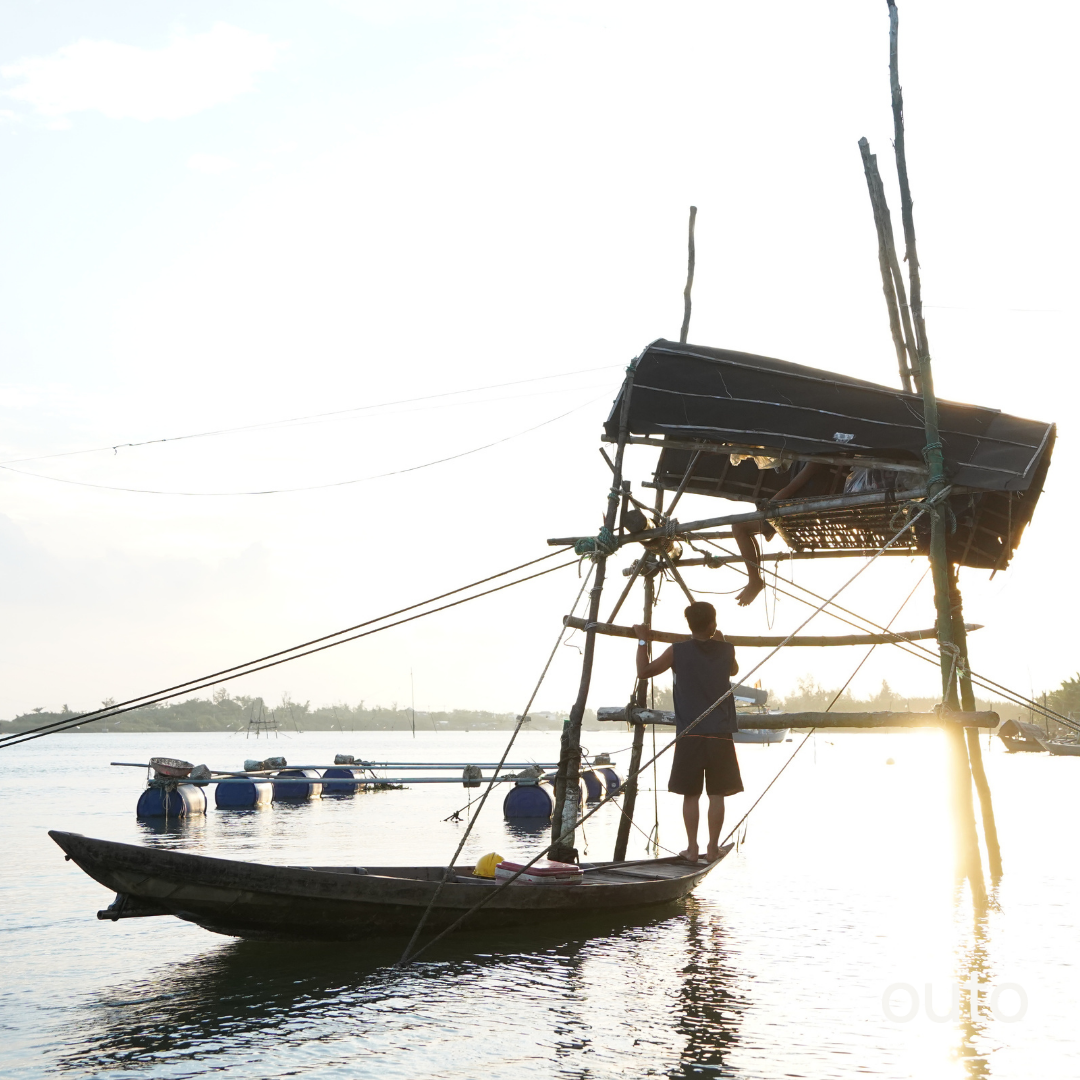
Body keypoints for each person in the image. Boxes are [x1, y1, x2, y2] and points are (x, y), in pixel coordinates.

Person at [632, 601, 744, 863]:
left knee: (691, 795)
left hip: (690, 733)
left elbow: (643, 672)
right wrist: (722, 639)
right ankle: (712, 847)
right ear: (712, 625)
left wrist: (641, 641)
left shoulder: (677, 651)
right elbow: (734, 669)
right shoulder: (726, 649)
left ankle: (693, 849)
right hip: (719, 733)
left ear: (689, 625)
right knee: (717, 794)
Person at [731, 460, 827, 606]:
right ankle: (754, 579)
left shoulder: (815, 459)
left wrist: (769, 506)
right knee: (742, 527)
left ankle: (754, 580)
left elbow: (792, 487)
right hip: (793, 507)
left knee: (739, 527)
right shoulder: (808, 456)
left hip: (800, 511)